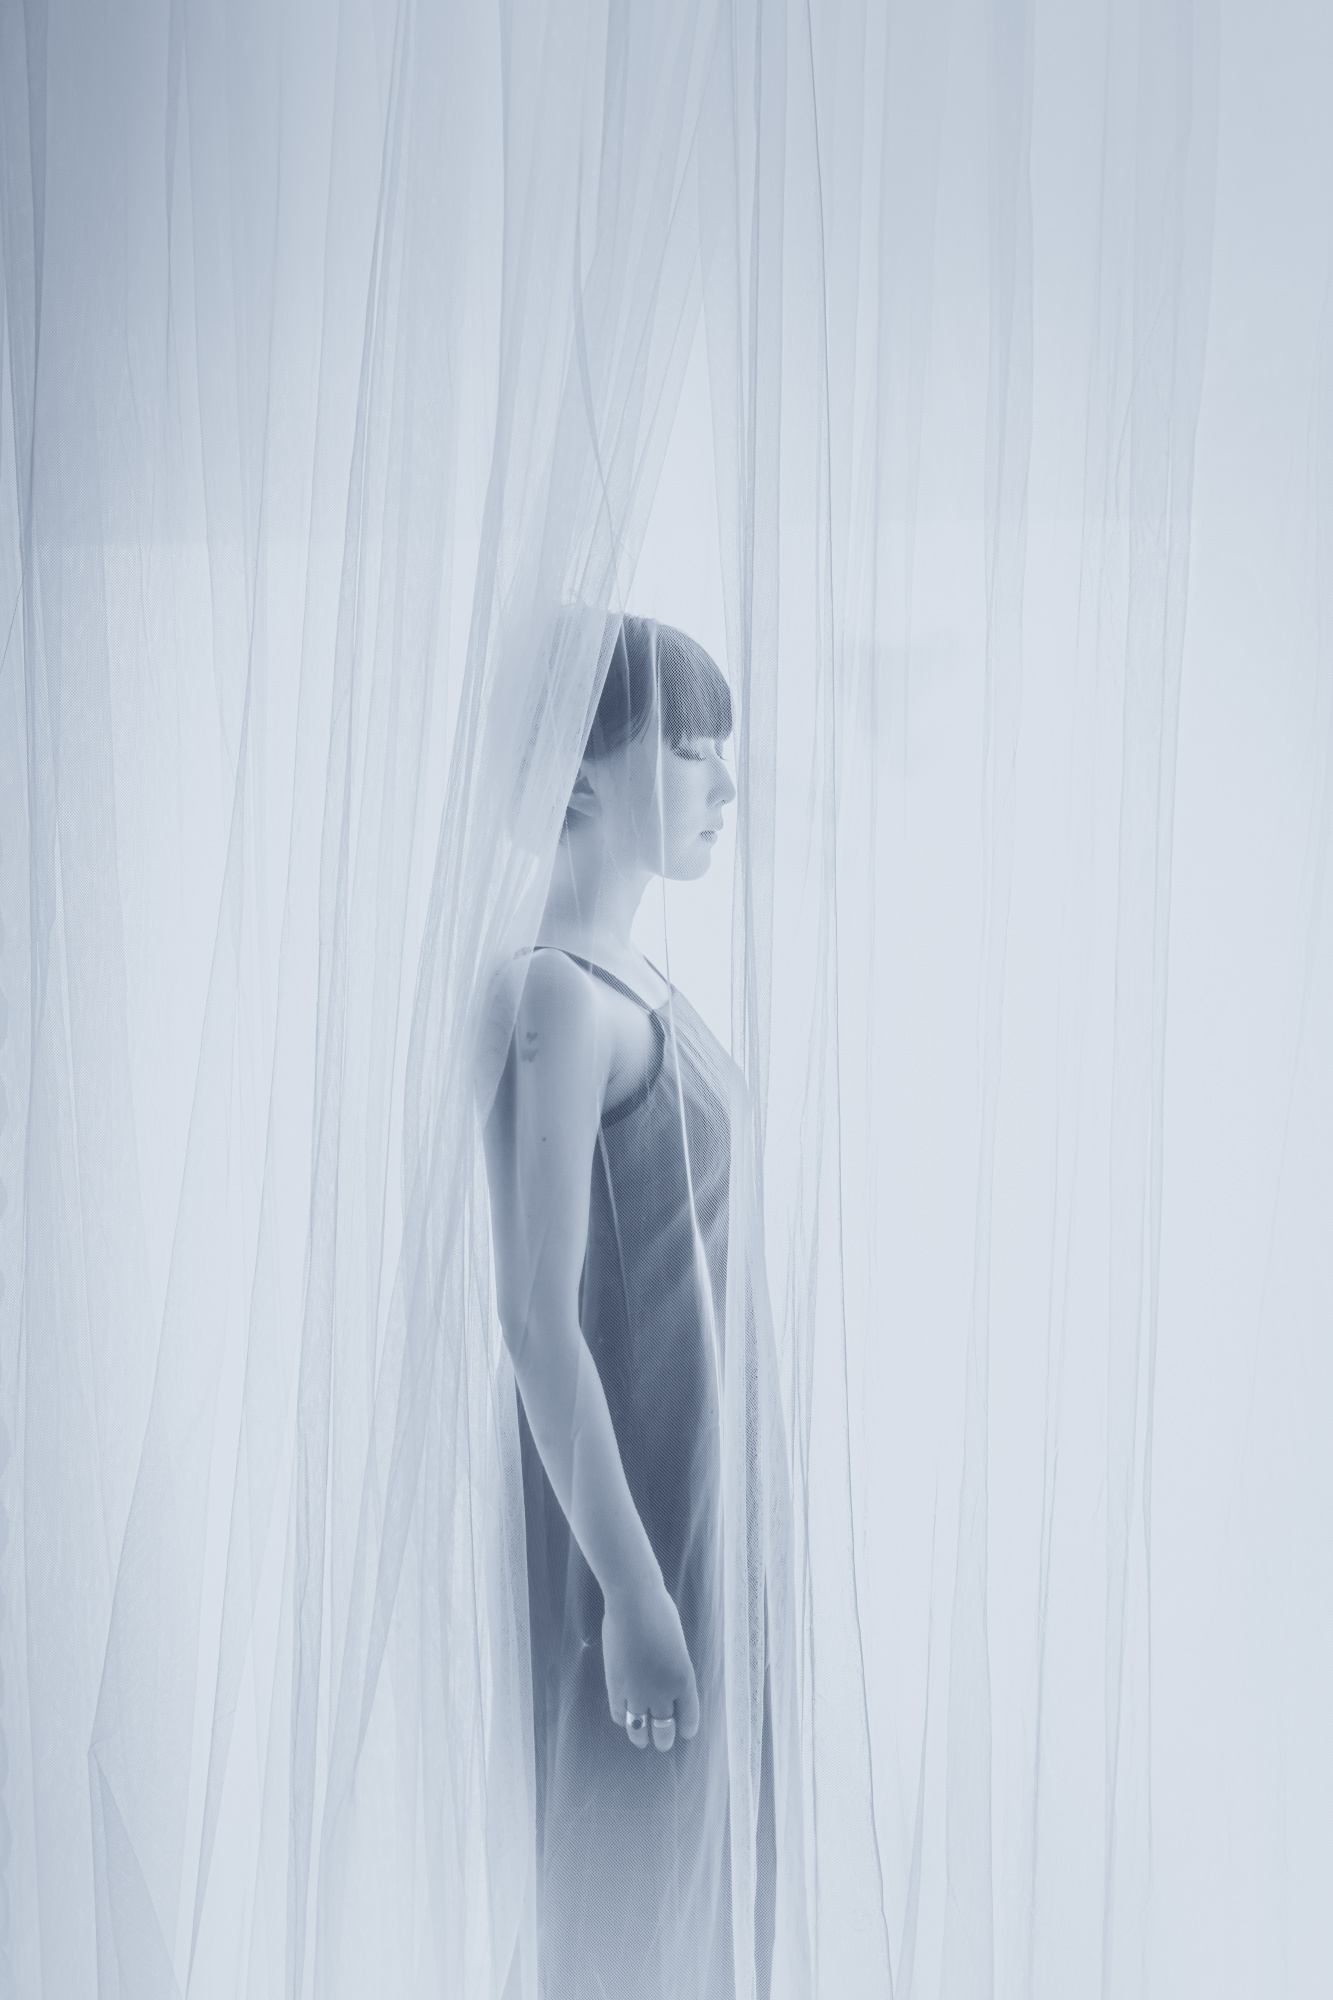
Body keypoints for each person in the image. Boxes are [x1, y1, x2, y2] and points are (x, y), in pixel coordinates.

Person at [481, 616, 777, 1998]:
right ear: (586, 769)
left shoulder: (640, 984)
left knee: (698, 1897)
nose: (725, 781)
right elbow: (536, 1320)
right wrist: (632, 1591)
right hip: (629, 1521)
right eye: (691, 744)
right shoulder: (558, 994)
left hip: (702, 1502)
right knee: (622, 1897)